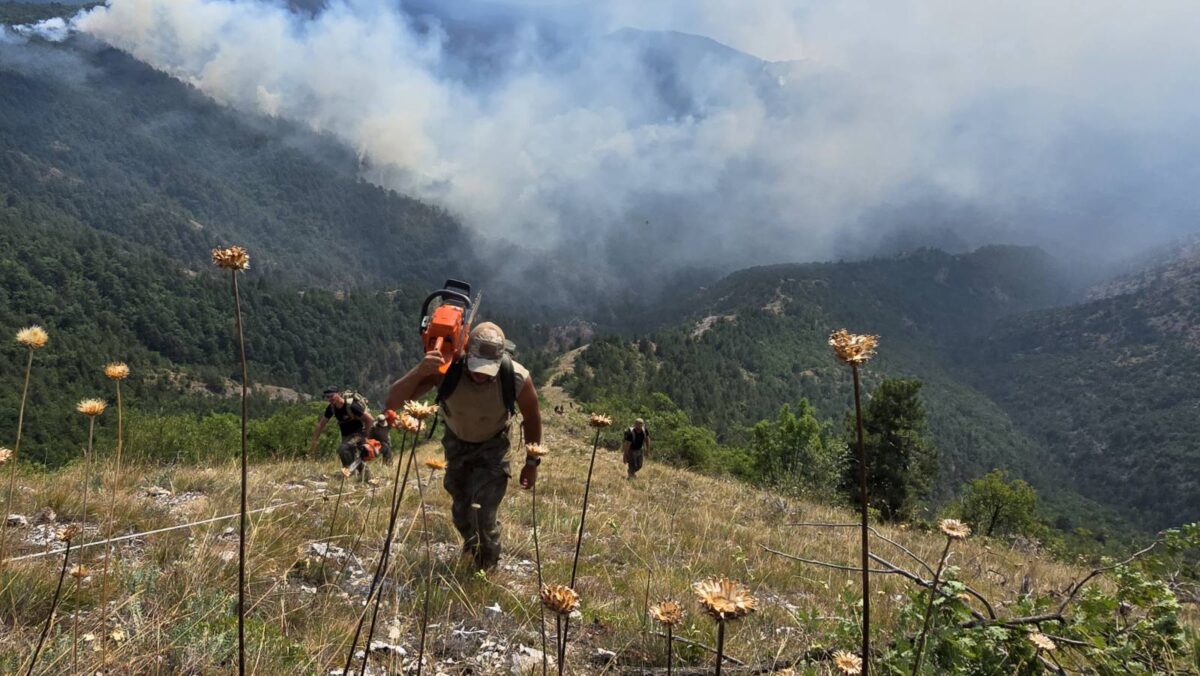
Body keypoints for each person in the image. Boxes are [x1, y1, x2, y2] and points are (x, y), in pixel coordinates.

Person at [386, 322, 542, 570]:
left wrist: (531, 463)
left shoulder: (515, 377)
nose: (480, 374)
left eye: (487, 369)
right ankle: (471, 546)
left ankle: (486, 569)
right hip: (456, 444)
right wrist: (420, 371)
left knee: (484, 512)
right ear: (466, 353)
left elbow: (532, 418)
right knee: (461, 512)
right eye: (476, 367)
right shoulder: (446, 370)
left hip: (493, 447)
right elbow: (393, 400)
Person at [309, 388, 375, 473]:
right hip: (346, 435)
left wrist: (366, 435)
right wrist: (314, 440)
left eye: (331, 396)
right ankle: (361, 474)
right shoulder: (331, 408)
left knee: (343, 449)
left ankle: (350, 472)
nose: (329, 399)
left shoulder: (351, 405)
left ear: (339, 394)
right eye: (327, 397)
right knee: (350, 454)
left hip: (358, 433)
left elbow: (370, 419)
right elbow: (321, 424)